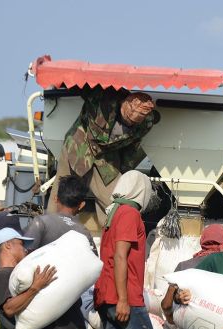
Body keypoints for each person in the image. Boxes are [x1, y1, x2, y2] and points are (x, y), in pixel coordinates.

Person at [24, 174, 97, 329]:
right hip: (71, 311)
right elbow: (92, 270)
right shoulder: (84, 233)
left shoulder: (40, 224)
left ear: (55, 198)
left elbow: (22, 260)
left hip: (39, 306)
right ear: (82, 205)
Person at [95, 170, 159, 329]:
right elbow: (120, 256)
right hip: (123, 295)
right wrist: (123, 299)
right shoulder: (129, 213)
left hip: (106, 294)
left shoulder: (113, 211)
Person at [52, 87, 158, 231]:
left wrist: (124, 170)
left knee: (115, 201)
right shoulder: (103, 100)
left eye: (134, 122)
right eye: (128, 118)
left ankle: (111, 239)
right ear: (123, 105)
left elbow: (133, 147)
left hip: (107, 158)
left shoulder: (146, 123)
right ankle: (50, 234)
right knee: (61, 195)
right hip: (79, 146)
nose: (130, 123)